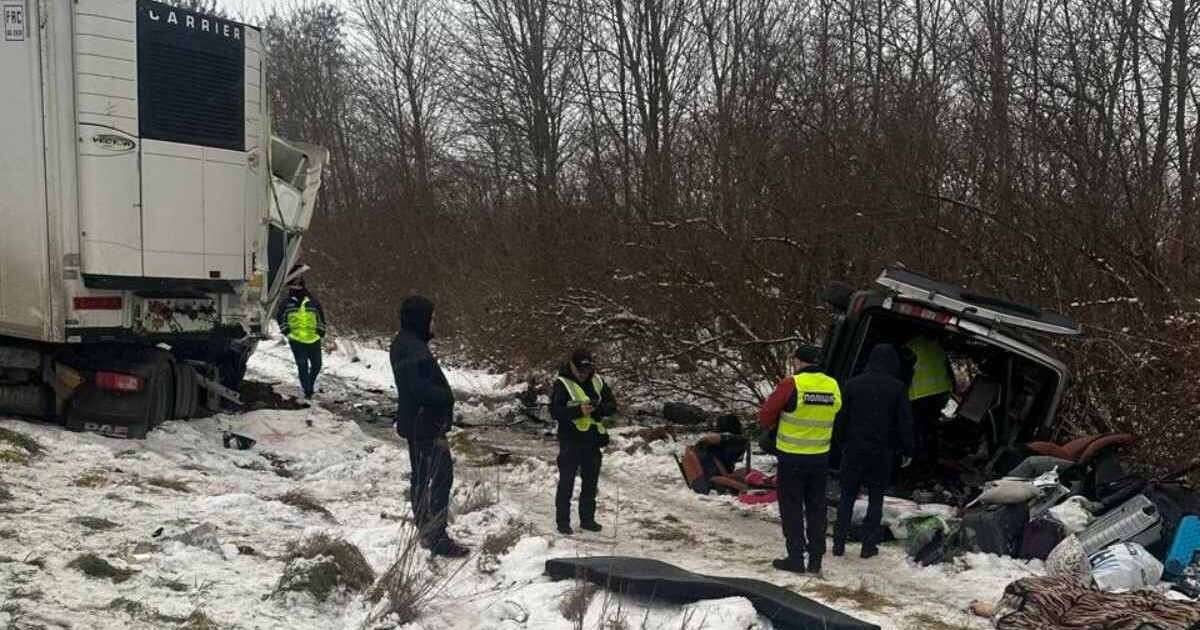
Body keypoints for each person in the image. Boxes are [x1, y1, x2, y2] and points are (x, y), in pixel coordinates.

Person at [390, 295, 469, 558]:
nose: (435, 322)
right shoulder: (411, 348)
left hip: (422, 423)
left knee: (425, 476)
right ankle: (435, 536)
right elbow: (419, 388)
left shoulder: (410, 344)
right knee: (438, 476)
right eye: (432, 318)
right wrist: (446, 397)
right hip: (424, 425)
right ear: (420, 319)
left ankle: (428, 530)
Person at [759, 344, 842, 575]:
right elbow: (836, 411)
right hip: (819, 458)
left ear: (798, 361)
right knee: (817, 508)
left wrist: (776, 425)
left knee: (792, 507)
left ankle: (795, 558)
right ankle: (816, 561)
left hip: (792, 457)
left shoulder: (791, 383)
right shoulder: (832, 384)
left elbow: (766, 416)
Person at [832, 344, 915, 559]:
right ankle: (868, 545)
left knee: (847, 497)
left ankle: (838, 543)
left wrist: (840, 443)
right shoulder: (897, 388)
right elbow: (904, 423)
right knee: (876, 499)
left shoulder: (852, 385)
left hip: (854, 449)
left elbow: (840, 418)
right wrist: (907, 449)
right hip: (881, 452)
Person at [550, 348, 617, 535]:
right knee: (567, 482)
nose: (583, 374)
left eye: (586, 370)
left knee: (590, 483)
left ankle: (587, 520)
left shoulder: (597, 381)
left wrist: (598, 409)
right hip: (570, 439)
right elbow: (555, 411)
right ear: (572, 366)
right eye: (580, 370)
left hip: (593, 440)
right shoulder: (562, 383)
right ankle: (563, 522)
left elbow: (612, 406)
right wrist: (579, 411)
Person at [904, 335, 954, 473]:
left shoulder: (909, 347)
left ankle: (917, 462)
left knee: (917, 429)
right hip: (940, 392)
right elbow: (948, 370)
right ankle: (931, 460)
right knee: (930, 427)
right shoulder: (936, 346)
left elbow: (904, 374)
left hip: (919, 395)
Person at [276, 272, 326, 399]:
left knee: (317, 365)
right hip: (297, 340)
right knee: (302, 365)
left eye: (299, 287)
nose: (297, 290)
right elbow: (280, 318)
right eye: (294, 288)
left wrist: (321, 330)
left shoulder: (313, 301)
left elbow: (320, 316)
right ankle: (308, 390)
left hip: (313, 338)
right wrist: (286, 331)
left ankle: (310, 383)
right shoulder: (286, 303)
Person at [683, 415, 751, 494]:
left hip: (710, 477)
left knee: (744, 473)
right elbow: (716, 478)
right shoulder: (710, 450)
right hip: (707, 481)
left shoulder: (712, 451)